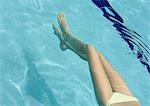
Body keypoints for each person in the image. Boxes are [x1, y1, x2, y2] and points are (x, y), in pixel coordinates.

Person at [52, 13, 140, 106]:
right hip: (130, 98)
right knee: (96, 54)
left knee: (91, 49)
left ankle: (67, 38)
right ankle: (67, 43)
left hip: (110, 102)